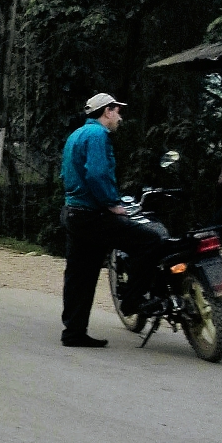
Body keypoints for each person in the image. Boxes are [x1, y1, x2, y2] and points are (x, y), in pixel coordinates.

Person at [60, 92, 161, 348]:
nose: (120, 116)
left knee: (79, 275)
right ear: (107, 111)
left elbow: (68, 173)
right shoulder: (98, 135)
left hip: (74, 212)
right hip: (93, 215)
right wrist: (113, 204)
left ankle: (73, 332)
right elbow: (96, 174)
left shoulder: (76, 135)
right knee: (150, 241)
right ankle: (132, 302)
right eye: (118, 111)